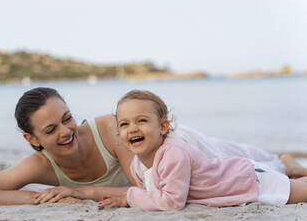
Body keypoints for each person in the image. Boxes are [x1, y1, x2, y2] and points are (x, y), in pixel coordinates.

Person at [0, 87, 307, 208]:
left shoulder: (110, 130)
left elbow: (145, 187)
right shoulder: (39, 167)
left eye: (68, 117)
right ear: (32, 140)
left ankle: (285, 161)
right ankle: (284, 165)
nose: (67, 131)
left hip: (176, 152)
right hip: (172, 174)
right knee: (253, 173)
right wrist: (47, 196)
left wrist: (80, 192)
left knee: (233, 159)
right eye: (51, 129)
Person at [101, 90, 307, 211]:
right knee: (298, 185)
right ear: (118, 132)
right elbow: (152, 194)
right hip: (237, 179)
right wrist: (134, 198)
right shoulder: (137, 164)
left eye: (142, 121)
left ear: (163, 127)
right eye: (124, 124)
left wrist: (129, 198)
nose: (133, 128)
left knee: (302, 192)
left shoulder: (173, 152)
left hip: (245, 180)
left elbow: (172, 202)